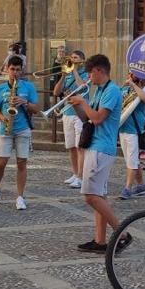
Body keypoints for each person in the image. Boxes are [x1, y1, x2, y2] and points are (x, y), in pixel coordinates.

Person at [68, 54, 130, 253]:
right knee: (99, 196)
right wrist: (77, 105)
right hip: (96, 145)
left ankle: (122, 233)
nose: (88, 77)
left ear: (100, 71)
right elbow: (87, 118)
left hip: (101, 147)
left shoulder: (112, 90)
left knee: (90, 196)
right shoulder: (100, 90)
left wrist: (83, 102)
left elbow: (98, 119)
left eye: (90, 72)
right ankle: (100, 241)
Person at [0, 56, 40, 210]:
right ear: (7, 69)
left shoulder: (28, 87)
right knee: (0, 163)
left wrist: (24, 102)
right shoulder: (0, 89)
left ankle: (20, 197)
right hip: (6, 128)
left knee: (21, 163)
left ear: (21, 71)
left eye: (18, 70)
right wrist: (2, 118)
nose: (15, 72)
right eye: (12, 69)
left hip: (23, 128)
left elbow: (36, 109)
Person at [53, 50, 89, 188]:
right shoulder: (67, 75)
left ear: (82, 60)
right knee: (71, 147)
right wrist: (62, 76)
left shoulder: (86, 75)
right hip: (67, 112)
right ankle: (75, 174)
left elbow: (82, 86)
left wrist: (74, 71)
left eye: (76, 58)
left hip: (80, 114)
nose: (72, 60)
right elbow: (56, 92)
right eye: (71, 58)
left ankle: (81, 176)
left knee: (80, 147)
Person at [117, 73, 145, 199]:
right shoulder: (125, 89)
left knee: (131, 161)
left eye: (133, 74)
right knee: (131, 160)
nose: (130, 75)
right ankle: (141, 186)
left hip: (134, 130)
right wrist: (124, 86)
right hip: (122, 128)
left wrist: (133, 84)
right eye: (130, 73)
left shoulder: (144, 90)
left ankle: (127, 188)